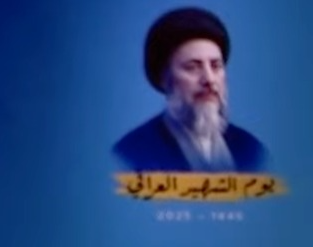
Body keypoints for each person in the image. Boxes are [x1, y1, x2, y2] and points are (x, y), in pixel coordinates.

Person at [111, 7, 269, 173]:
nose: (209, 79)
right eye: (192, 67)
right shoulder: (131, 154)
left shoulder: (252, 150)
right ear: (164, 79)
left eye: (216, 66)